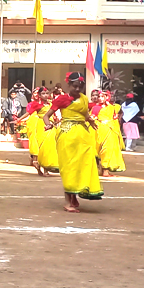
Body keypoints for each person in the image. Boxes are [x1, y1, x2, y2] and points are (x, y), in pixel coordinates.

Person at [45, 72, 103, 212]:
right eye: (75, 86)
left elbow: (85, 114)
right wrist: (48, 124)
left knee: (85, 164)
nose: (77, 90)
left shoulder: (83, 98)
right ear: (69, 85)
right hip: (67, 135)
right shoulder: (62, 99)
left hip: (83, 135)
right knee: (69, 167)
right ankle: (68, 201)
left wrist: (90, 121)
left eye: (80, 87)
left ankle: (78, 191)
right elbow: (47, 116)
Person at [94, 91, 126, 176]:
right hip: (100, 130)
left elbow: (115, 118)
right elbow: (92, 118)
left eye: (102, 96)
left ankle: (105, 170)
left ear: (106, 97)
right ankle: (102, 169)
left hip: (111, 130)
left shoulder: (112, 108)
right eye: (99, 96)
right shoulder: (96, 108)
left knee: (108, 149)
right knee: (101, 150)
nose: (100, 98)